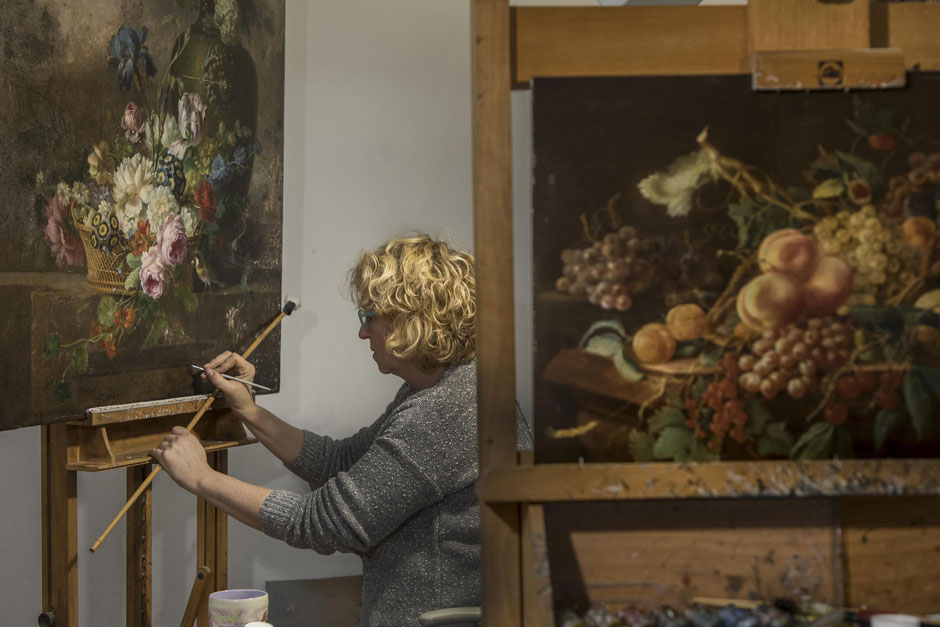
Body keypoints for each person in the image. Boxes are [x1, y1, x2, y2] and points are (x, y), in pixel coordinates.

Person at [151, 234, 533, 627]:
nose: (363, 333)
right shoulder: (447, 388)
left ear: (409, 321)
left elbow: (320, 523)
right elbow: (343, 461)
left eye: (369, 318)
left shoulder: (446, 413)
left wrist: (200, 477)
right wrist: (249, 409)